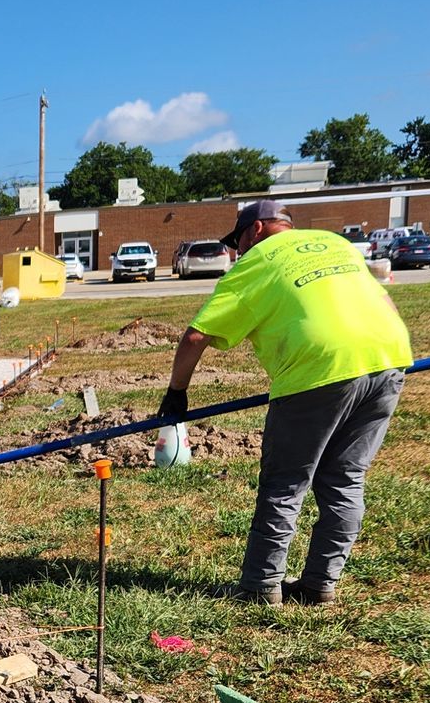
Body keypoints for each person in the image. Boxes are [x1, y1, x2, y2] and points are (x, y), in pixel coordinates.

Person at [159, 199, 412, 606]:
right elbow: (385, 302)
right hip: (389, 357)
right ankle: (318, 585)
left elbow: (196, 336)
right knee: (345, 478)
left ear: (255, 230)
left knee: (286, 483)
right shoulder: (335, 243)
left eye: (237, 241)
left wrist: (176, 393)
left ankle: (260, 587)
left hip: (319, 368)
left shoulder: (257, 260)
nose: (236, 251)